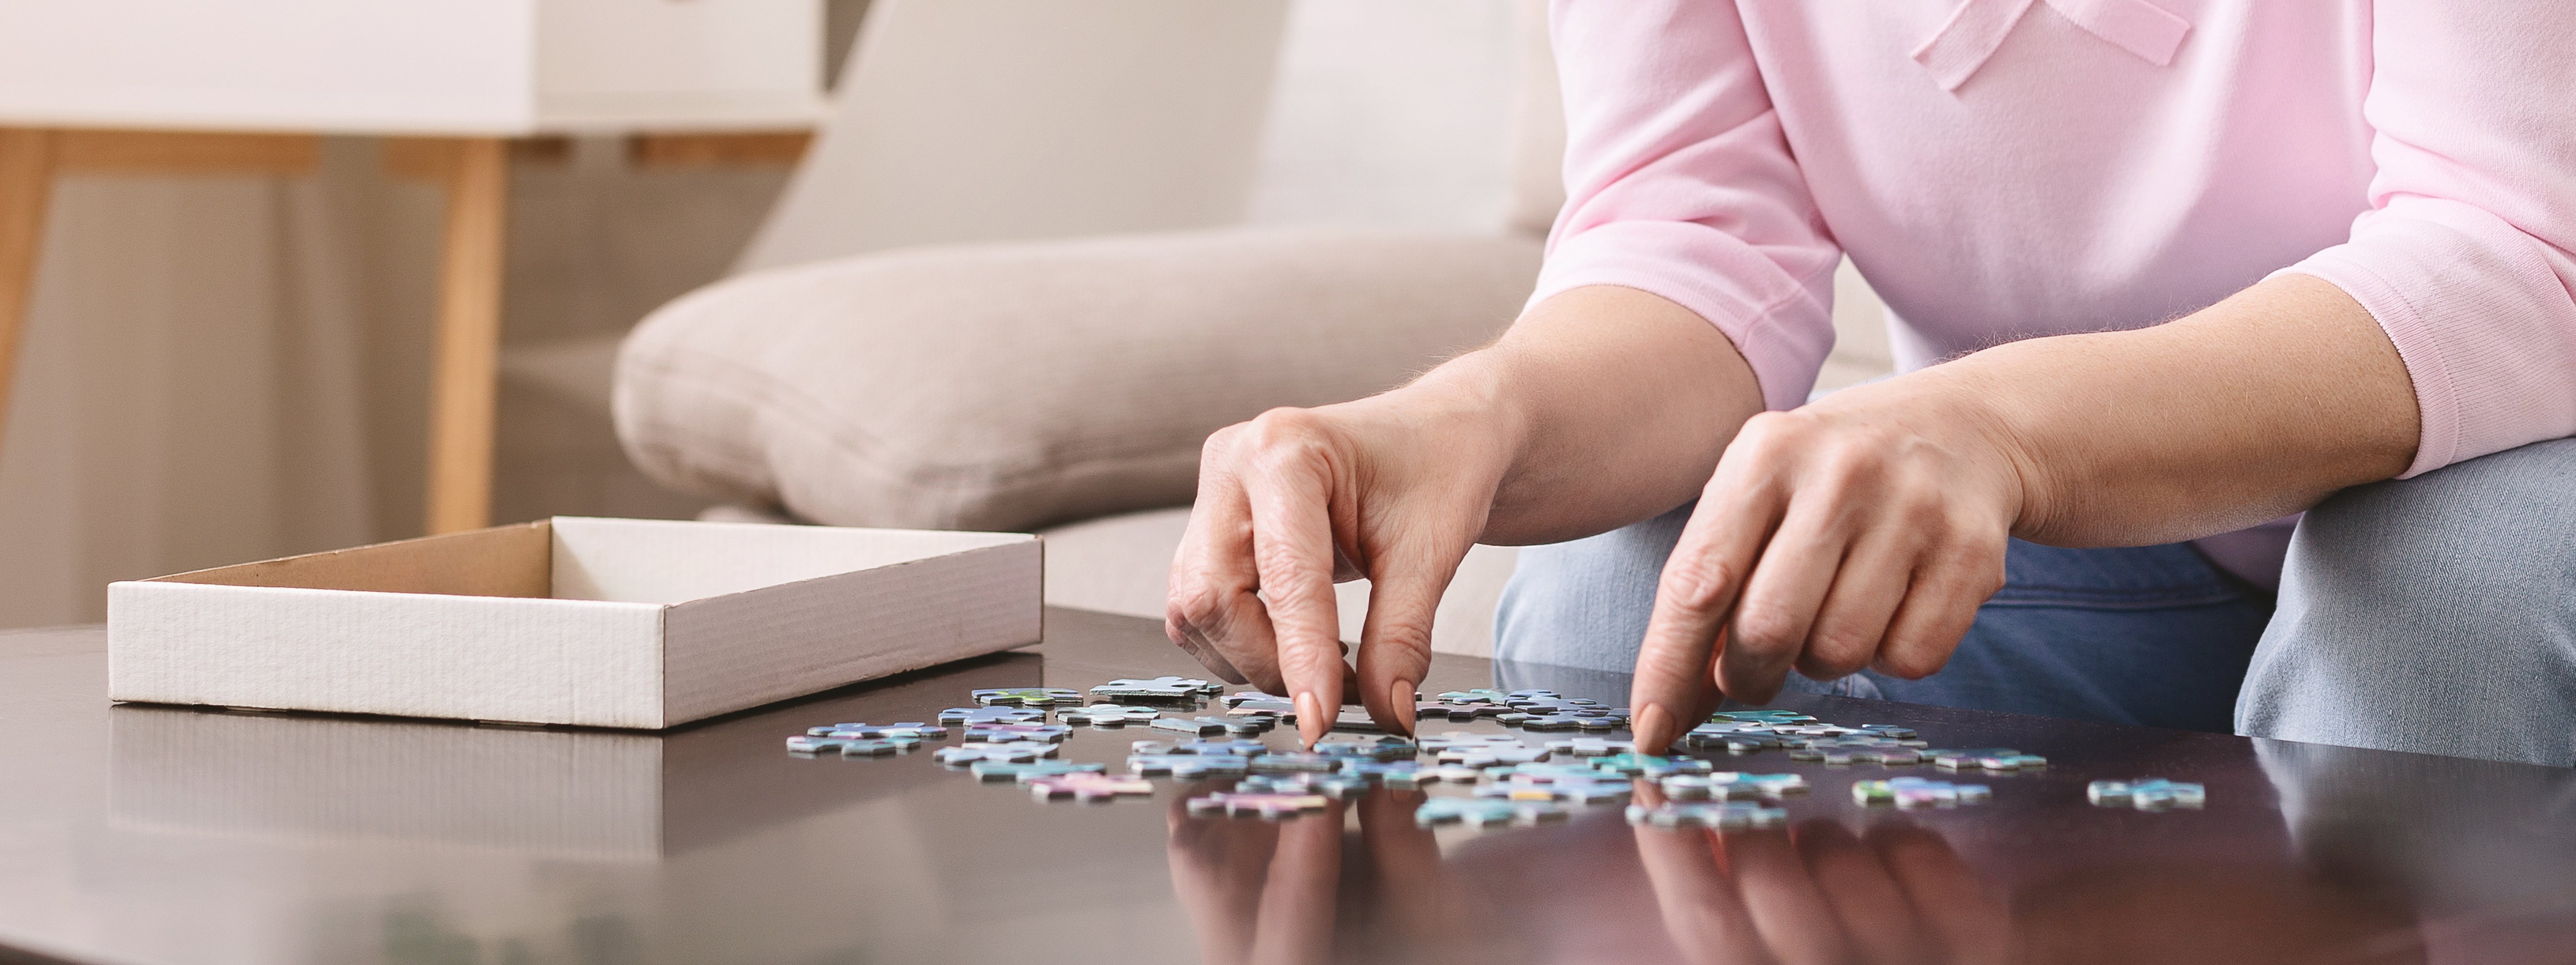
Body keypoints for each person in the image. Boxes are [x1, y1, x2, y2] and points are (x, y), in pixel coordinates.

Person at [1164, 2, 2576, 765]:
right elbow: (1694, 232)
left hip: (2509, 466)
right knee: (1626, 590)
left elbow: (2520, 244)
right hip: (2082, 557)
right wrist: (1472, 415)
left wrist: (1992, 425)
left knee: (2434, 591)